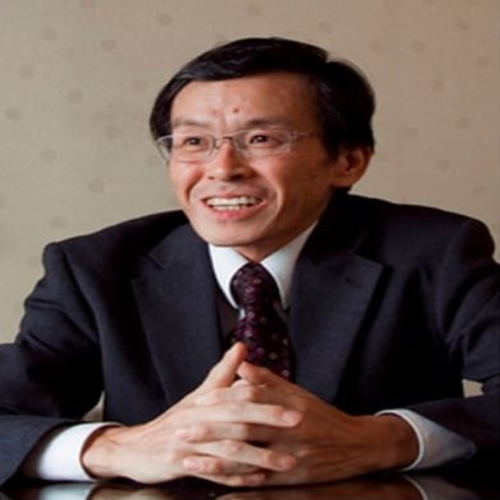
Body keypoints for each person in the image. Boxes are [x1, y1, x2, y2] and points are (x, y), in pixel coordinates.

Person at [0, 37, 498, 488]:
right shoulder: (95, 268)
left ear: (348, 161)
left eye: (261, 140)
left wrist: (384, 440)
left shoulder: (435, 252)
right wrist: (118, 448)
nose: (222, 169)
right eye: (194, 142)